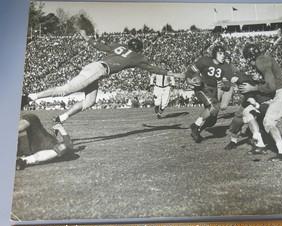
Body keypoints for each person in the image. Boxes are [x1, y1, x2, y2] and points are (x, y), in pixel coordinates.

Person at [28, 30, 180, 123]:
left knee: (90, 102)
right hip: (99, 70)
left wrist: (87, 38)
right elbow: (152, 68)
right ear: (138, 49)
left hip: (96, 69)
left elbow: (99, 46)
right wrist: (172, 73)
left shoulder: (119, 47)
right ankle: (30, 97)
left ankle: (61, 118)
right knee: (66, 90)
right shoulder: (137, 57)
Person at [238, 43, 282, 160]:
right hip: (277, 95)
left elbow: (271, 87)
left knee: (268, 122)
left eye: (248, 59)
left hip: (281, 94)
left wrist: (253, 88)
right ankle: (260, 145)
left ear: (250, 57)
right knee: (248, 112)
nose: (249, 63)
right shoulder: (264, 59)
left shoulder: (261, 61)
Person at [184, 45, 238, 143]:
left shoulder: (226, 66)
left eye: (223, 54)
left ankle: (198, 130)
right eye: (220, 53)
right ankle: (195, 126)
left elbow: (227, 84)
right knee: (214, 106)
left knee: (212, 120)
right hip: (202, 87)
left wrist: (225, 84)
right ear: (214, 54)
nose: (223, 56)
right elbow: (190, 71)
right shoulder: (205, 61)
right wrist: (189, 80)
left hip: (214, 90)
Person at [16, 97, 74, 170]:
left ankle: (24, 161)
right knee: (32, 118)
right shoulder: (53, 137)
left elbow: (69, 146)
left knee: (32, 118)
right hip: (36, 146)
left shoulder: (61, 146)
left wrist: (61, 128)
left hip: (41, 149)